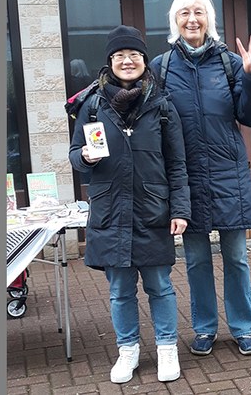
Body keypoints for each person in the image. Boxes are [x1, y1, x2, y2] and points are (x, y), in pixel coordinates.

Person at [69, 25, 190, 384]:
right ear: (110, 62)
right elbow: (75, 154)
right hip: (110, 213)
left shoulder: (162, 105)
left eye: (134, 55)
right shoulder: (91, 106)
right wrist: (85, 157)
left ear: (143, 61)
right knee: (120, 290)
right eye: (120, 55)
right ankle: (128, 350)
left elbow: (177, 163)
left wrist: (181, 209)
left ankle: (167, 347)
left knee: (160, 286)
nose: (127, 61)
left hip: (154, 211)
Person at [149, 0, 251, 356]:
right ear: (175, 21)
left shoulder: (231, 63)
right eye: (184, 13)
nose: (192, 19)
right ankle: (204, 328)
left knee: (236, 257)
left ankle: (244, 327)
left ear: (209, 19)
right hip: (186, 180)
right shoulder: (161, 68)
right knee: (197, 259)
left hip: (228, 175)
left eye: (198, 12)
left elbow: (249, 115)